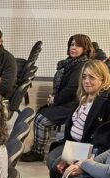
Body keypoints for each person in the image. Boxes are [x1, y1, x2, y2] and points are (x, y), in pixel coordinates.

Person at [45, 68, 110, 178]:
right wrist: (71, 155)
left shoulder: (109, 102)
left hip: (94, 157)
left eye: (92, 77)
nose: (86, 81)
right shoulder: (85, 98)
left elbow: (105, 147)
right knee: (55, 163)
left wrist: (78, 160)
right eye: (84, 77)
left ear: (103, 80)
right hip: (82, 148)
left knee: (57, 169)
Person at [20, 34, 94, 162]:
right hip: (67, 101)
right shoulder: (70, 62)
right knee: (41, 114)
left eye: (78, 45)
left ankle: (38, 152)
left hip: (74, 104)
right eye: (72, 44)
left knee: (42, 119)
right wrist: (54, 96)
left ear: (85, 48)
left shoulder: (82, 65)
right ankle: (38, 150)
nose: (73, 48)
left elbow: (71, 89)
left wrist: (55, 99)